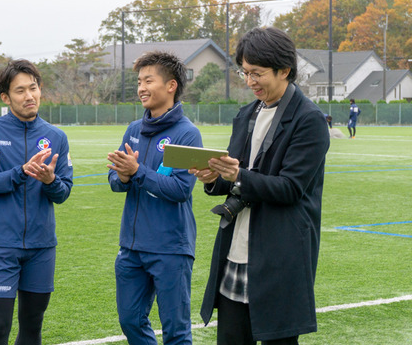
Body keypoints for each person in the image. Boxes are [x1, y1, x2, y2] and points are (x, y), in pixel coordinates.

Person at [191, 27, 330, 345]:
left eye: (257, 73)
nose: (250, 81)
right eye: (245, 72)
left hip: (280, 252)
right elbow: (235, 176)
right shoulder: (246, 114)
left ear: (285, 70)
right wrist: (213, 178)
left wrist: (237, 175)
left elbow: (290, 188)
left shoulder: (309, 119)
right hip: (235, 249)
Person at [0, 59, 73, 345]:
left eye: (33, 88)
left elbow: (63, 192)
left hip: (42, 247)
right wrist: (20, 172)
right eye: (20, 91)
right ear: (6, 97)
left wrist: (50, 181)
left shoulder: (56, 137)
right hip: (1, 245)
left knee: (32, 325)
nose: (29, 96)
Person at [107, 51, 203, 345]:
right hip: (131, 247)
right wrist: (123, 177)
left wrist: (137, 171)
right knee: (130, 320)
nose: (141, 88)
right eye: (139, 82)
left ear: (171, 86)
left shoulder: (187, 135)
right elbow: (115, 181)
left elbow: (180, 190)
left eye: (149, 81)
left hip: (171, 248)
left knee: (176, 331)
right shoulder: (133, 130)